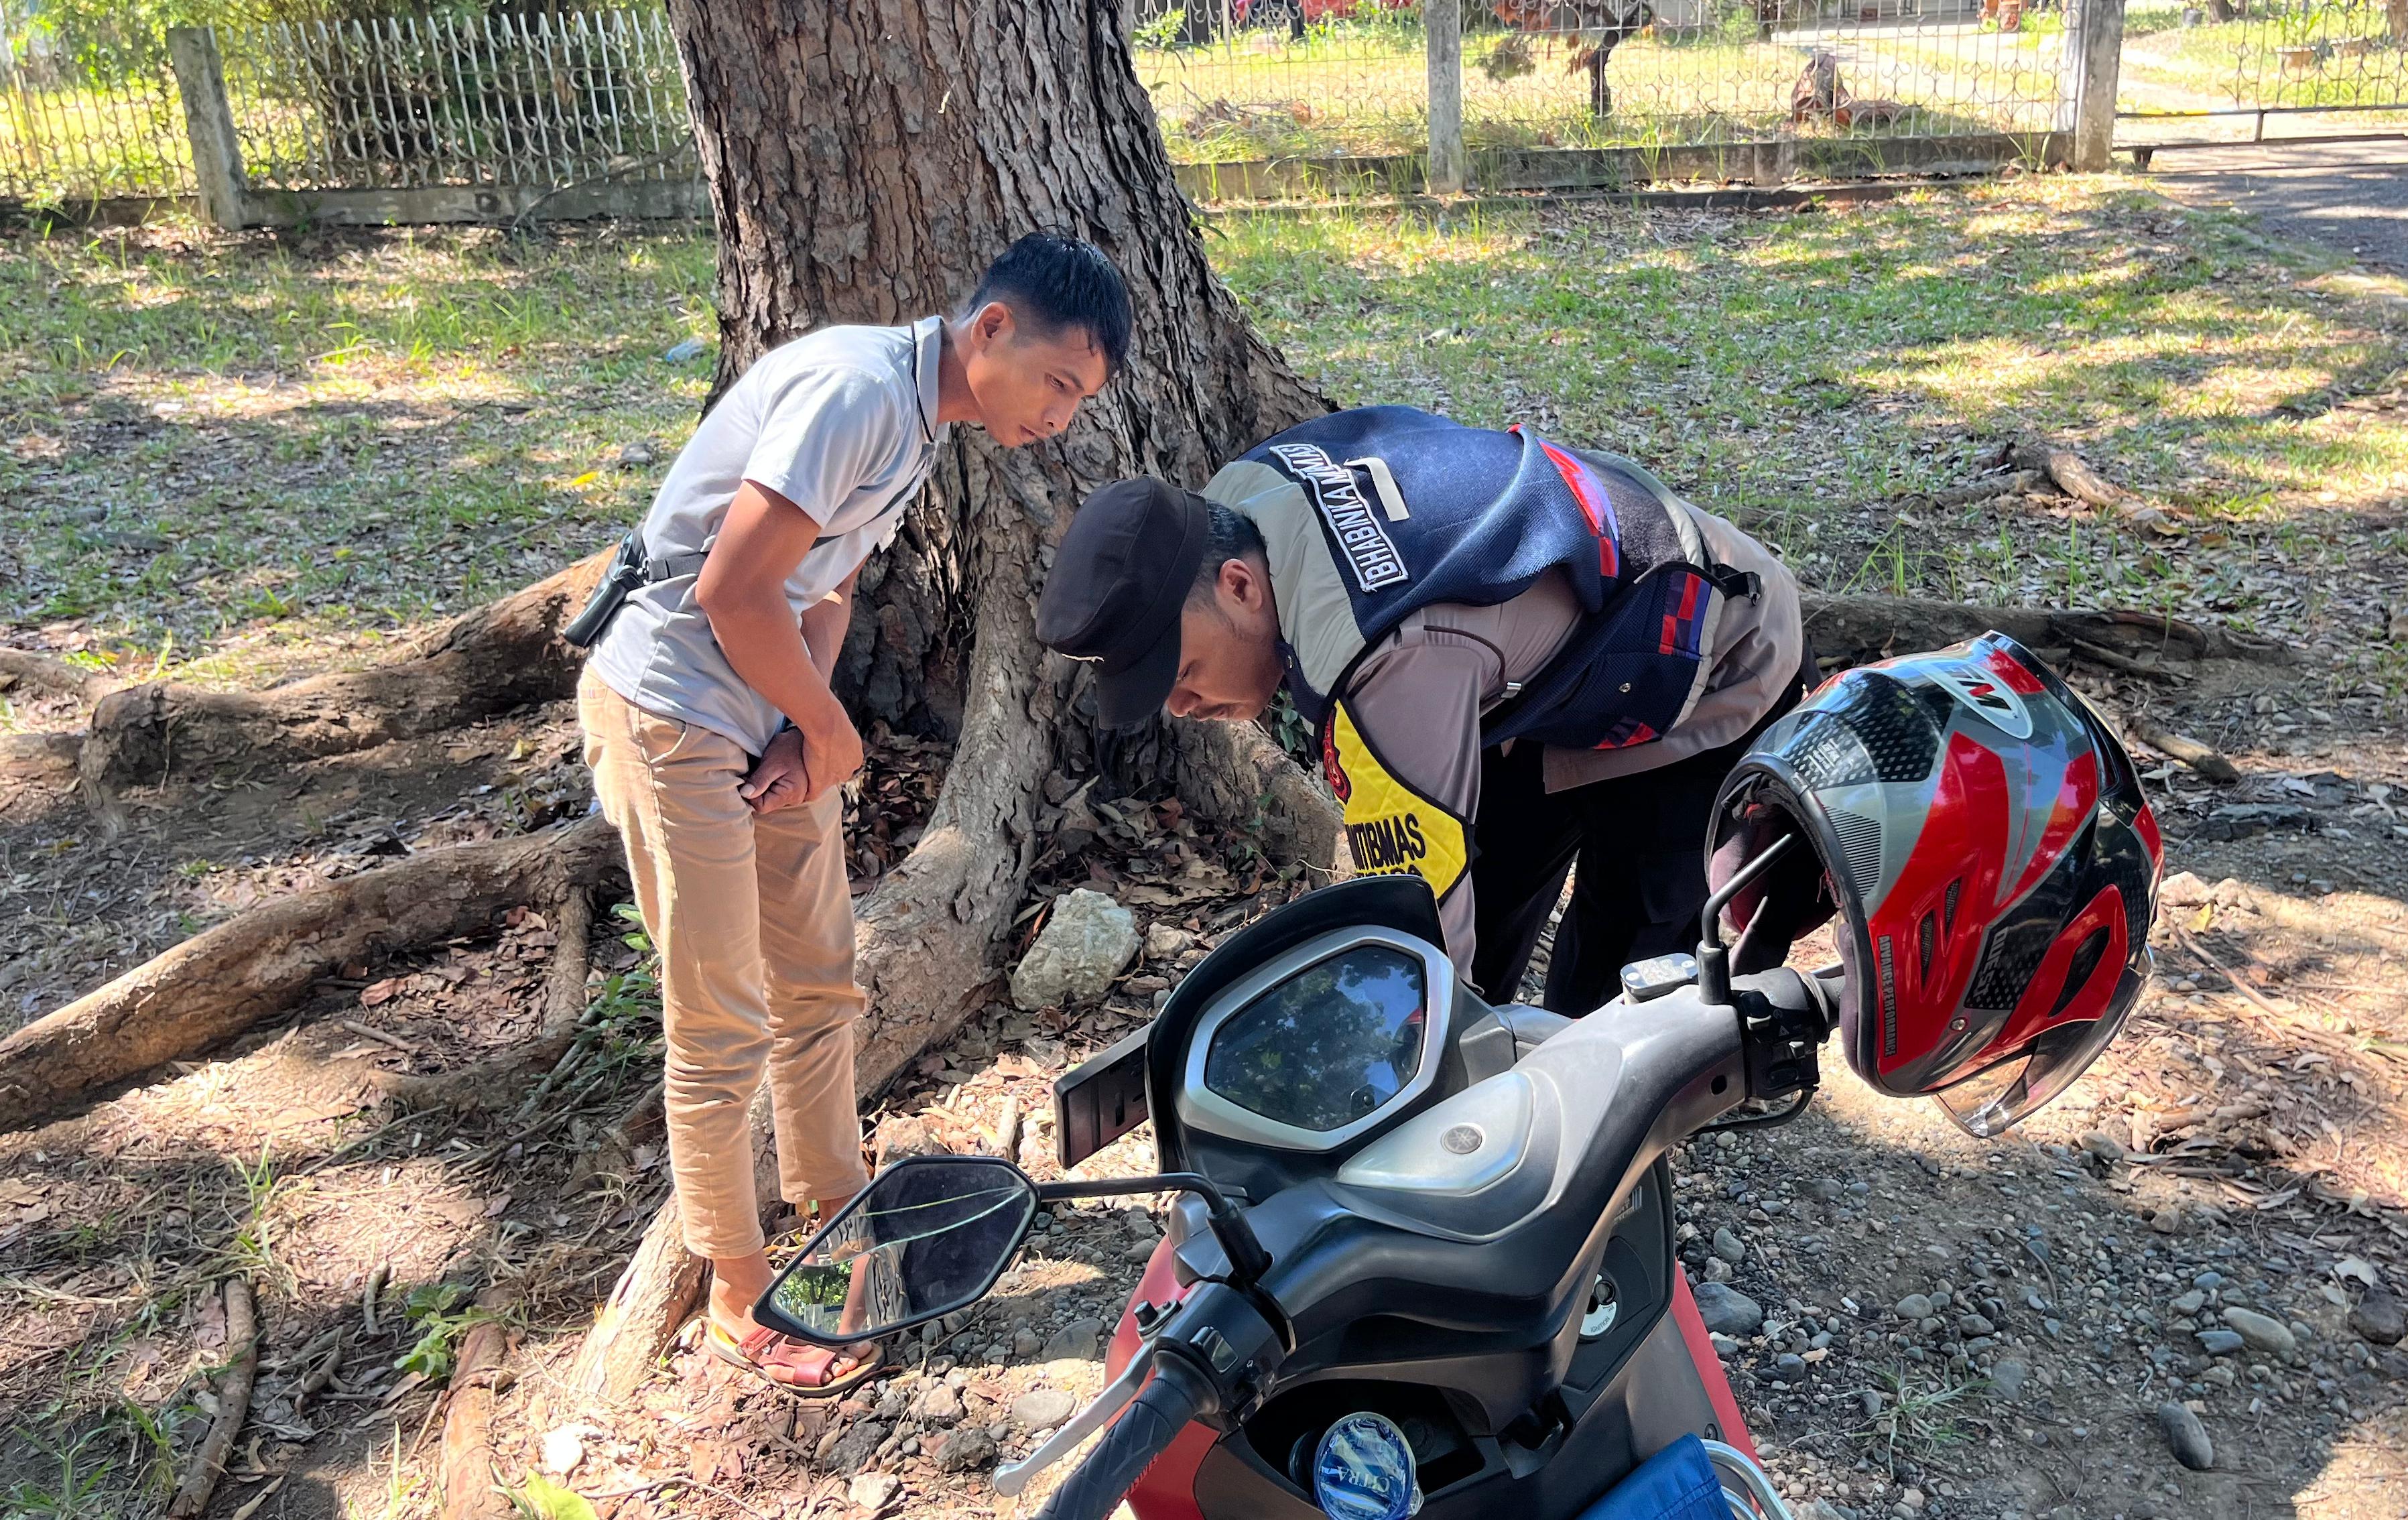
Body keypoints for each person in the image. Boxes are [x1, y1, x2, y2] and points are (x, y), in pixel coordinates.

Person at [570, 232, 1132, 1396]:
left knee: (820, 975)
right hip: (671, 705)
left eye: (1079, 401)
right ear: (991, 332)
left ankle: (834, 1196)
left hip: (759, 708)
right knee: (720, 1014)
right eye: (1059, 385)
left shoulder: (922, 424)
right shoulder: (853, 391)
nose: (1060, 418)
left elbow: (817, 588)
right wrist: (830, 735)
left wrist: (802, 728)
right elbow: (729, 587)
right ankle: (735, 1280)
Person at [1037, 405, 1812, 1013]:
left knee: (1611, 1002)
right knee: (1488, 893)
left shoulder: (1380, 657)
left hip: (1714, 657)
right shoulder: (1245, 496)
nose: (1181, 706)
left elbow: (1421, 937)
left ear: (1239, 586)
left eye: (1183, 670)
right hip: (1557, 656)